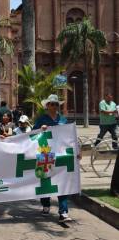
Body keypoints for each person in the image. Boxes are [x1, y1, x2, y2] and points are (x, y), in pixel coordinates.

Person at [33, 94, 81, 223]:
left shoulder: (63, 120)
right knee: (45, 180)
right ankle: (46, 204)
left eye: (56, 104)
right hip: (45, 154)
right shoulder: (41, 119)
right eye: (52, 104)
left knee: (62, 182)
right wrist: (39, 129)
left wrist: (77, 150)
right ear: (47, 106)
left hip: (61, 154)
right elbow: (32, 135)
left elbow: (71, 137)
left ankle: (63, 212)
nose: (54, 106)